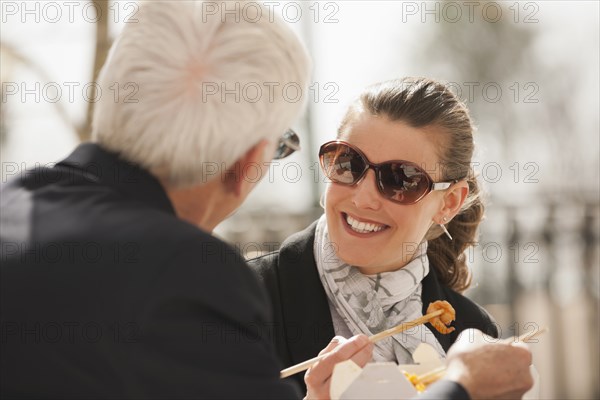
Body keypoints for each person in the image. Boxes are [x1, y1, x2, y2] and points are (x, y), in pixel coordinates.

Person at [0, 2, 372, 398]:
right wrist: (449, 385)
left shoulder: (15, 205)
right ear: (246, 164)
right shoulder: (184, 280)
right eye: (282, 146)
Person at [248, 77, 506, 395]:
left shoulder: (472, 335)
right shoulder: (246, 299)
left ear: (448, 203)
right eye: (348, 163)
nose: (363, 198)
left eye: (401, 179)